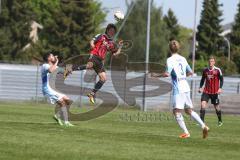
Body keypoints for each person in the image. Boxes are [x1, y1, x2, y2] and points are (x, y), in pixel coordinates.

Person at [151, 40, 209, 139]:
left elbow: (167, 74)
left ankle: (186, 132)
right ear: (178, 48)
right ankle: (204, 126)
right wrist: (183, 77)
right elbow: (191, 72)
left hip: (178, 88)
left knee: (176, 112)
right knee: (189, 110)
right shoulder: (183, 58)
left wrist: (155, 75)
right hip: (186, 86)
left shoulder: (170, 60)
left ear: (169, 49)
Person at [63, 23, 123, 104]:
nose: (112, 32)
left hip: (100, 61)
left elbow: (115, 55)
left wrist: (120, 47)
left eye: (113, 31)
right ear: (108, 30)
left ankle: (92, 94)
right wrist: (92, 45)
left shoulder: (112, 43)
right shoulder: (101, 36)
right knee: (89, 66)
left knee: (103, 78)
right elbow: (92, 41)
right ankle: (69, 69)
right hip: (95, 55)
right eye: (111, 30)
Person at [41, 52, 74, 127]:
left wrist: (68, 72)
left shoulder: (52, 66)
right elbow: (51, 70)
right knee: (62, 102)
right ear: (49, 58)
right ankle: (66, 122)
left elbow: (62, 73)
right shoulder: (45, 65)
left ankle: (57, 116)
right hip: (47, 89)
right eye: (52, 56)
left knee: (68, 101)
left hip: (52, 88)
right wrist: (56, 62)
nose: (54, 57)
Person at [198, 56, 223, 126]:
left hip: (215, 92)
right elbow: (202, 80)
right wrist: (200, 87)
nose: (210, 62)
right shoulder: (205, 70)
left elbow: (222, 79)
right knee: (202, 105)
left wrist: (220, 88)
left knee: (217, 107)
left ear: (214, 62)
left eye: (212, 61)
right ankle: (201, 122)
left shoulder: (218, 70)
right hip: (206, 91)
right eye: (209, 61)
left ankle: (220, 120)